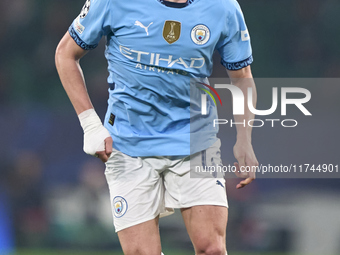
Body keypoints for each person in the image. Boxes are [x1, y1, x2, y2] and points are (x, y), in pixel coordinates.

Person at [55, 0, 258, 254]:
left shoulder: (223, 7)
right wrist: (90, 123)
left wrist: (245, 139)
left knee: (212, 249)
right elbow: (65, 53)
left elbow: (242, 78)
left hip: (195, 141)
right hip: (129, 146)